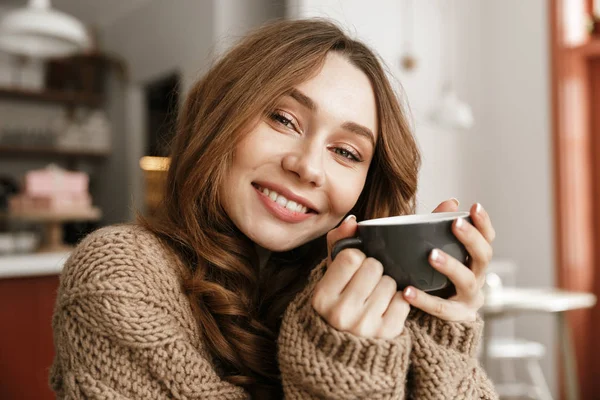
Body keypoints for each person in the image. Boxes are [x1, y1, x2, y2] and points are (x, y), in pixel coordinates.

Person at [50, 18, 498, 399]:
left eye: (346, 152)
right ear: (221, 115)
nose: (307, 167)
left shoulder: (357, 296)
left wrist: (442, 333)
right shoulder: (118, 275)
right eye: (283, 120)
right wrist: (339, 366)